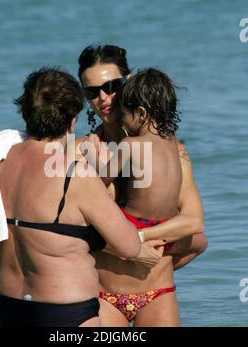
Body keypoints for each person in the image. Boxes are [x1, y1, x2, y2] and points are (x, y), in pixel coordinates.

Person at [0, 67, 144, 327]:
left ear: (26, 111)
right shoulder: (75, 173)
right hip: (65, 310)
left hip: (9, 304)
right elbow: (129, 246)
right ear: (72, 120)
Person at [78, 44, 207, 326]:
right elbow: (69, 229)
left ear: (128, 83)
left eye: (112, 86)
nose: (103, 97)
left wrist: (140, 241)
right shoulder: (80, 149)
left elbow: (194, 224)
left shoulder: (175, 150)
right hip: (104, 293)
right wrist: (131, 248)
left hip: (158, 292)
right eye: (92, 92)